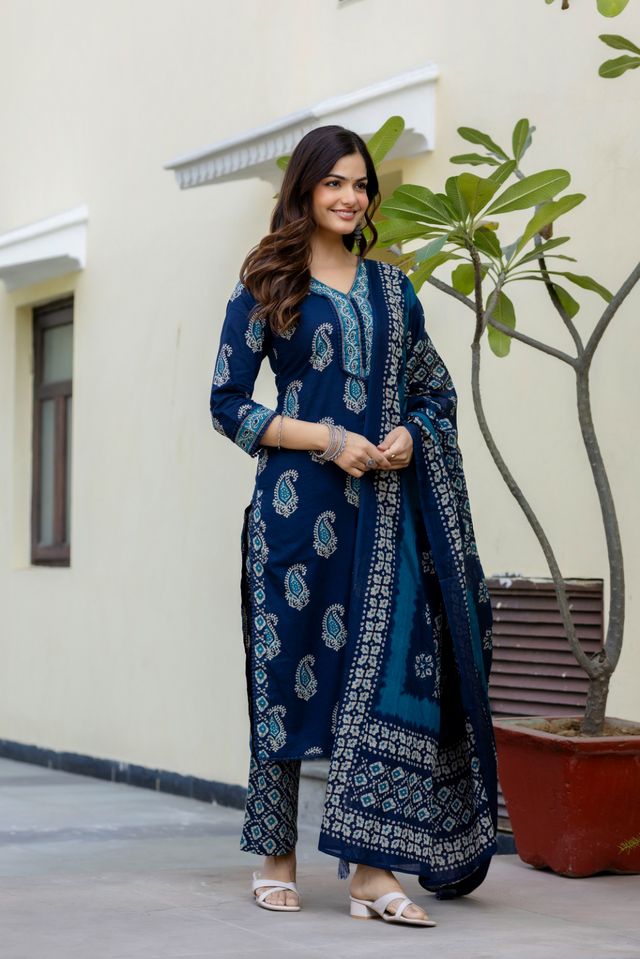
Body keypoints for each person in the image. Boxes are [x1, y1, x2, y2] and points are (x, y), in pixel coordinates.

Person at [209, 125, 497, 927]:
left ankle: (372, 871)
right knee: (286, 674)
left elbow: (435, 393)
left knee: (382, 677)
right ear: (304, 189)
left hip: (384, 517)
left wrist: (410, 432)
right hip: (296, 515)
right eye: (334, 181)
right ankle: (276, 854)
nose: (350, 196)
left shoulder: (393, 291)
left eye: (361, 184)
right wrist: (326, 439)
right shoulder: (266, 283)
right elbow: (226, 403)